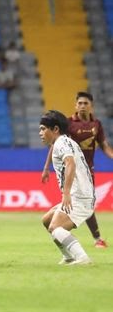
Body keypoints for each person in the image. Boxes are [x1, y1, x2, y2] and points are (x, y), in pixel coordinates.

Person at [42, 92, 113, 248]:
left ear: (91, 106)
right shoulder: (68, 124)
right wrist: (46, 167)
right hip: (72, 169)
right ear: (75, 105)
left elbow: (104, 146)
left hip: (88, 171)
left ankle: (91, 239)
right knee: (83, 203)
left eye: (85, 103)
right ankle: (93, 239)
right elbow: (55, 144)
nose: (82, 106)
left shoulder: (97, 124)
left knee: (85, 202)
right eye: (79, 103)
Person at [39, 110, 94, 265]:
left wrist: (66, 193)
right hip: (81, 194)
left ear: (55, 129)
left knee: (56, 227)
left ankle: (83, 258)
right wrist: (46, 168)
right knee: (47, 220)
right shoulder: (62, 141)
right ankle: (68, 256)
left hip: (80, 196)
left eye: (43, 129)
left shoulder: (62, 143)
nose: (40, 133)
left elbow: (70, 163)